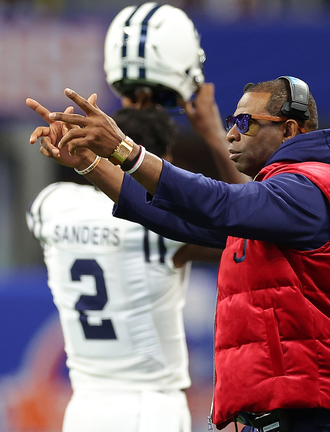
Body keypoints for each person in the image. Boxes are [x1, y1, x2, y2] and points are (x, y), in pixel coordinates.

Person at [26, 76, 330, 432]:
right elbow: (172, 216)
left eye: (244, 123)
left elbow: (219, 202)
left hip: (319, 414)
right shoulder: (279, 194)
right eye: (231, 123)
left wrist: (124, 149)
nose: (232, 134)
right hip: (285, 412)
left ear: (289, 129)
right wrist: (90, 162)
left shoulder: (311, 185)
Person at [26, 107, 216, 432]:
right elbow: (234, 223)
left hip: (83, 407)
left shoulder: (52, 204)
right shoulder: (161, 227)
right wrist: (211, 135)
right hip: (150, 407)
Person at [103, 1, 248, 185]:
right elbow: (251, 208)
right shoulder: (184, 207)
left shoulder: (61, 196)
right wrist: (215, 134)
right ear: (168, 158)